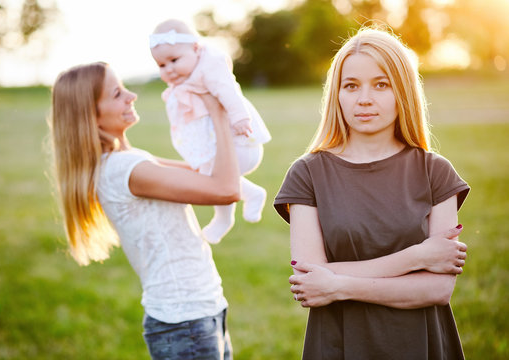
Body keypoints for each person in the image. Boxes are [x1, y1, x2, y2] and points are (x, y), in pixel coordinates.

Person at [273, 27, 471, 359]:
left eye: (381, 84)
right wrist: (418, 258)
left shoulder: (435, 171)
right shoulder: (307, 173)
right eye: (351, 86)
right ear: (337, 94)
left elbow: (437, 289)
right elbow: (309, 281)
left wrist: (337, 285)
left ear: (403, 92)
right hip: (339, 342)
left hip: (419, 342)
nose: (364, 98)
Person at [48, 62, 239, 359]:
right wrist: (219, 113)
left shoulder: (130, 159)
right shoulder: (124, 169)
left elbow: (206, 171)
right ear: (91, 115)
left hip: (201, 309)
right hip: (185, 321)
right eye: (117, 93)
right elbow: (226, 190)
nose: (131, 96)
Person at [149, 19, 272, 244]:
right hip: (218, 144)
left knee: (213, 179)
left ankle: (226, 216)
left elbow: (228, 90)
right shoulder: (184, 79)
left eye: (174, 60)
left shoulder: (210, 65)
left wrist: (240, 117)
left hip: (239, 141)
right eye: (161, 65)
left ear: (195, 48)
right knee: (209, 176)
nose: (169, 69)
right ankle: (248, 196)